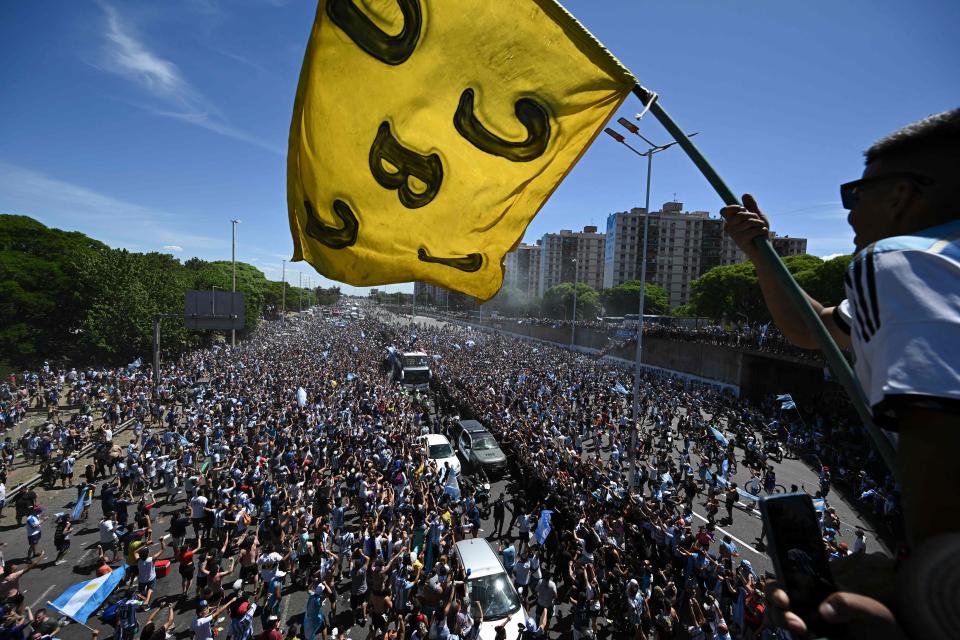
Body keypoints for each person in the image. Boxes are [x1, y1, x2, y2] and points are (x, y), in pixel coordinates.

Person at [721, 108, 960, 636]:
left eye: (854, 193)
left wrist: (914, 590)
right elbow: (817, 330)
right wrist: (761, 253)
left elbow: (945, 449)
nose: (848, 214)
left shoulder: (904, 262)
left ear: (901, 196)